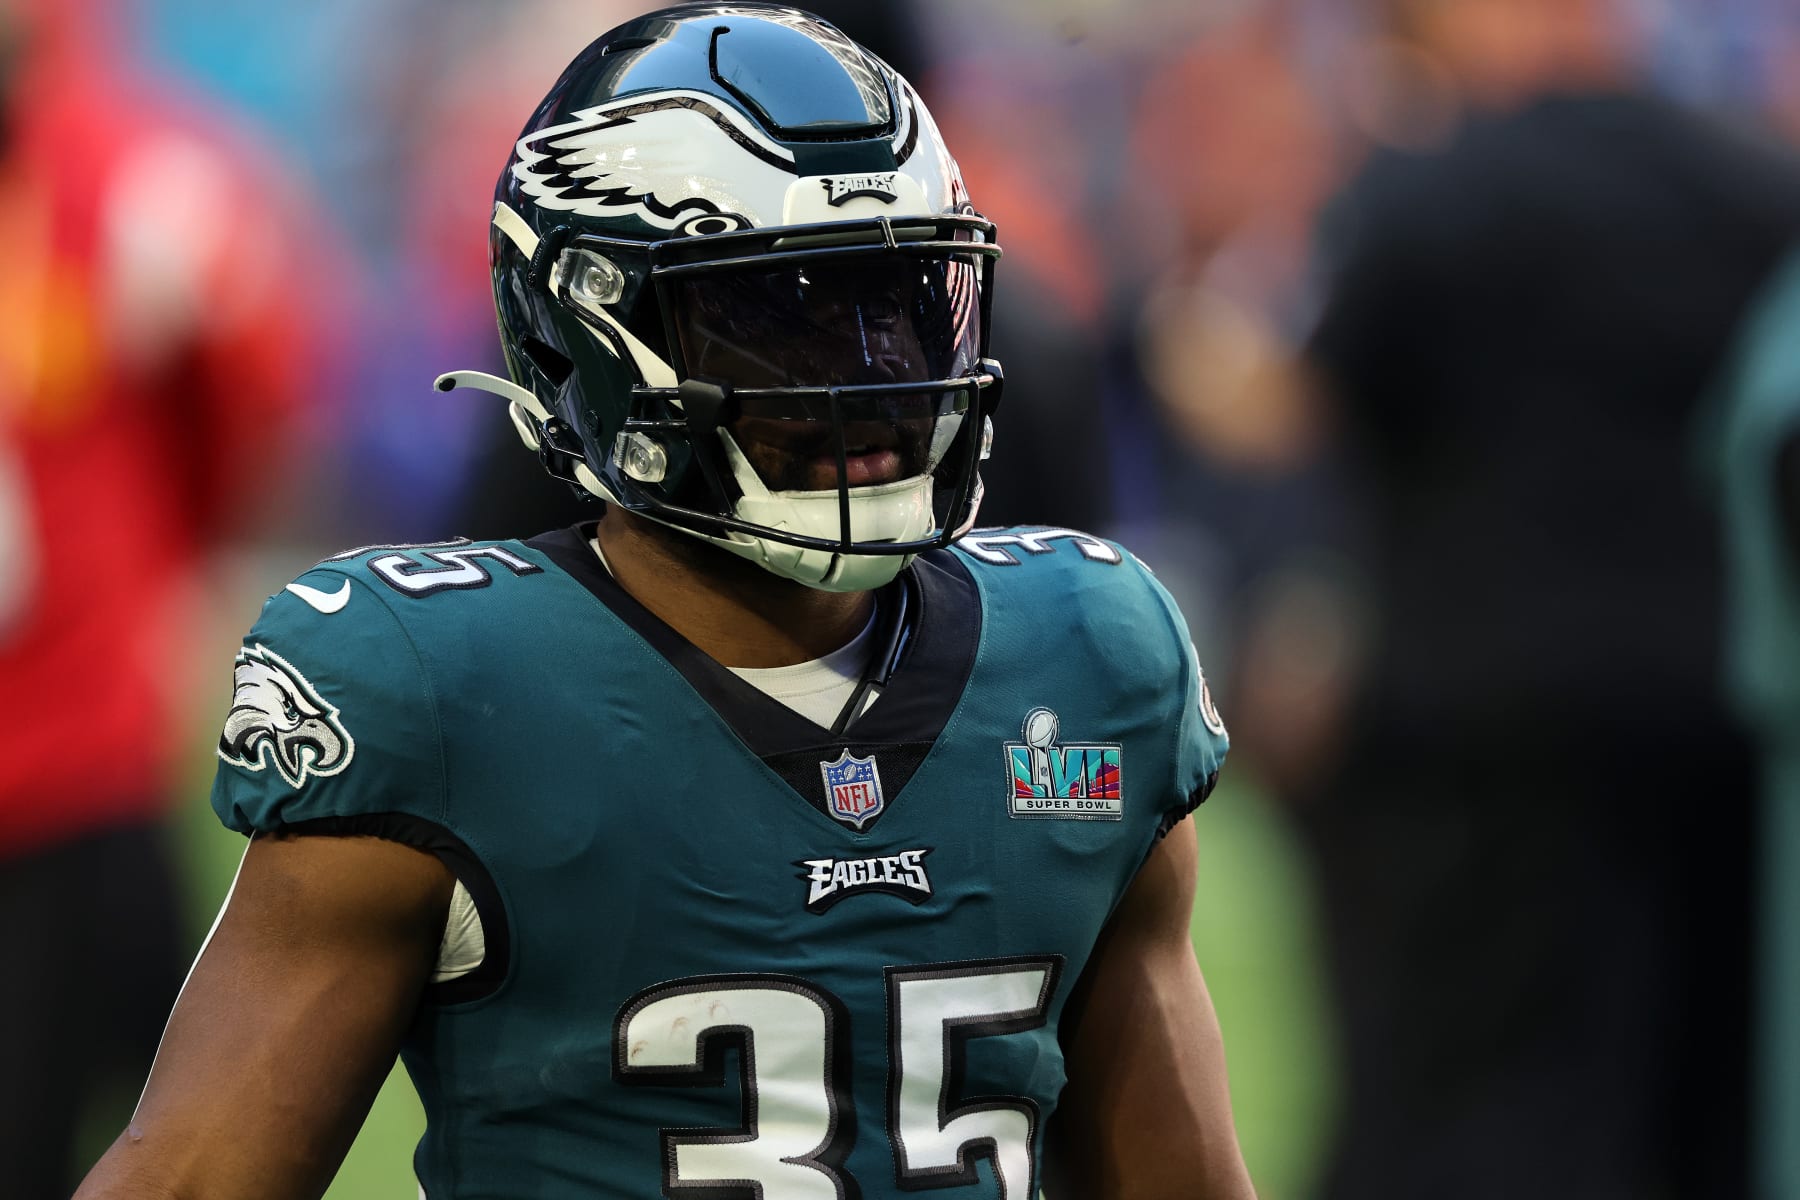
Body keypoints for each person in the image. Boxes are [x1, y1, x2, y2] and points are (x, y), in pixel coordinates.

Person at [75, 6, 1258, 1198]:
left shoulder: (1090, 660)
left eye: (899, 302)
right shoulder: (449, 696)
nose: (873, 373)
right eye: (779, 314)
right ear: (591, 330)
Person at [1292, 0, 1800, 1195]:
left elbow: (1310, 402)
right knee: (1705, 1109)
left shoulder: (1435, 194)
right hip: (1712, 722)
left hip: (1482, 746)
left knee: (1482, 1115)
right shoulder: (1754, 190)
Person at [0, 0, 326, 1194]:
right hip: (73, 729)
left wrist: (146, 568)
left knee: (180, 1119)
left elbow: (248, 398)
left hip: (74, 743)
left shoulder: (136, 181)